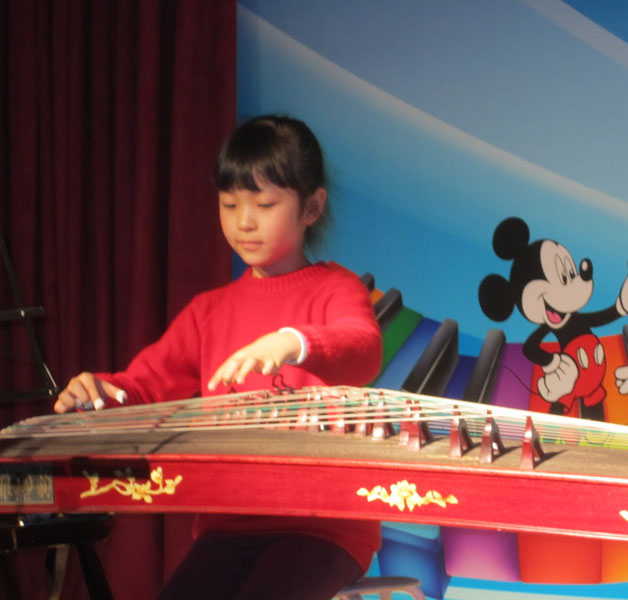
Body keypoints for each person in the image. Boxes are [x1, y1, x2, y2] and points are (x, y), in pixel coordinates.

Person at [54, 115, 384, 599]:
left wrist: (294, 342)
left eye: (264, 205)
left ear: (312, 207)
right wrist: (98, 391)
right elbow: (145, 384)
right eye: (230, 204)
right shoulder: (209, 311)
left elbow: (362, 349)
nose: (244, 222)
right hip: (230, 524)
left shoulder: (337, 289)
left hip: (324, 524)